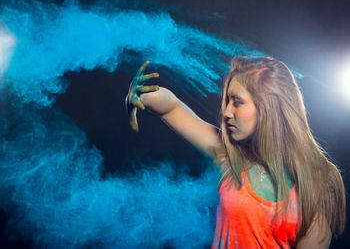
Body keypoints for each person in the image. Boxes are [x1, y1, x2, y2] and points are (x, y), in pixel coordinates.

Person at [125, 57, 345, 248]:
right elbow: (171, 106)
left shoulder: (318, 182)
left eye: (237, 102)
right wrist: (140, 96)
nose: (227, 111)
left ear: (269, 108)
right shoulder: (229, 156)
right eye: (227, 101)